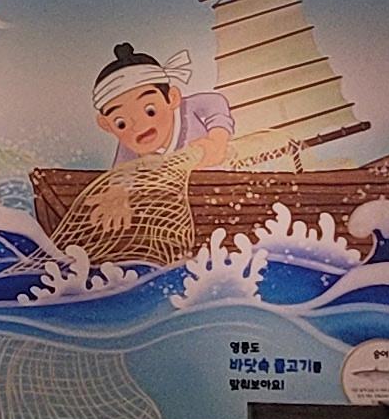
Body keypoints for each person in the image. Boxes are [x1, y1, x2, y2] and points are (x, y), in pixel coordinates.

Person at [81, 38, 284, 256]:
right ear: (106, 125)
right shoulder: (130, 144)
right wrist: (118, 193)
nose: (139, 126)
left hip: (224, 191)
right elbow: (121, 173)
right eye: (121, 123)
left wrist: (217, 139)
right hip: (184, 209)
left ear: (172, 98)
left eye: (150, 111)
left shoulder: (189, 109)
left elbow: (215, 103)